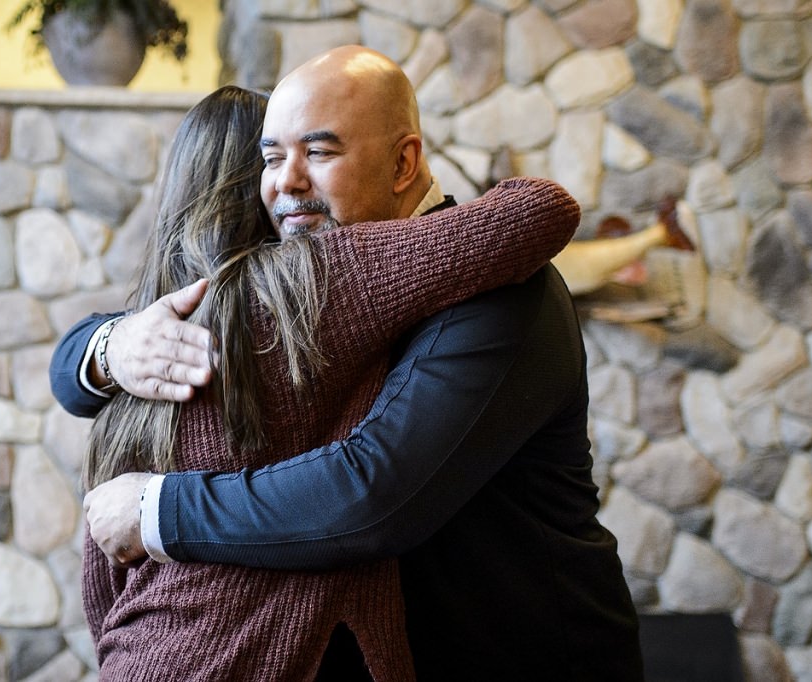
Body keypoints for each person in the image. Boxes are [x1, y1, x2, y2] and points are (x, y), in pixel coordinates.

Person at [68, 71, 581, 680]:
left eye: (317, 151)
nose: (287, 180)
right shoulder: (312, 282)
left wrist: (154, 507)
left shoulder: (145, 352)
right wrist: (106, 347)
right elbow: (544, 206)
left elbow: (102, 591)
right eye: (271, 157)